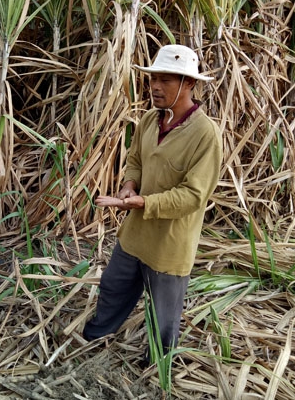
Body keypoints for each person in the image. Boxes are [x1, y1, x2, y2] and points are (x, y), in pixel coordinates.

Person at [83, 44, 223, 365]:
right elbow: (135, 160)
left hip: (169, 245)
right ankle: (93, 341)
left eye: (166, 81)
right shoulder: (149, 120)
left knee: (163, 319)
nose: (156, 87)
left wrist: (143, 201)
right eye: (153, 80)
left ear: (189, 84)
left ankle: (157, 369)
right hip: (135, 234)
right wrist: (129, 184)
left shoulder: (206, 135)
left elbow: (194, 196)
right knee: (113, 286)